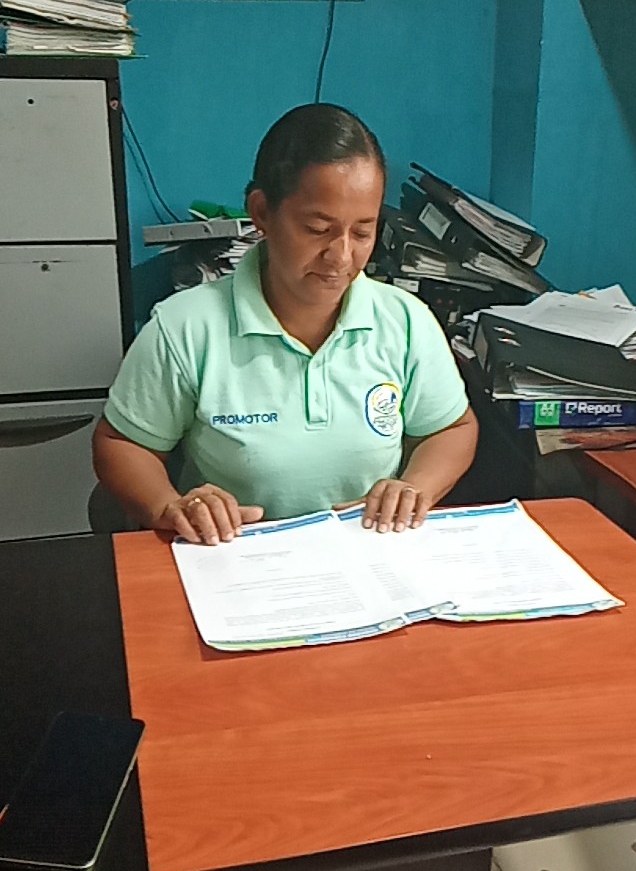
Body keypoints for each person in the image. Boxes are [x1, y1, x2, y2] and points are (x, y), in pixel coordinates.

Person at [93, 103, 478, 544]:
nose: (341, 256)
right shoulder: (186, 328)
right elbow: (122, 444)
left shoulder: (404, 321)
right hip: (235, 559)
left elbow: (452, 428)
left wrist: (414, 488)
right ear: (261, 213)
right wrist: (168, 504)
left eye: (362, 232)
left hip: (367, 558)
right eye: (317, 229)